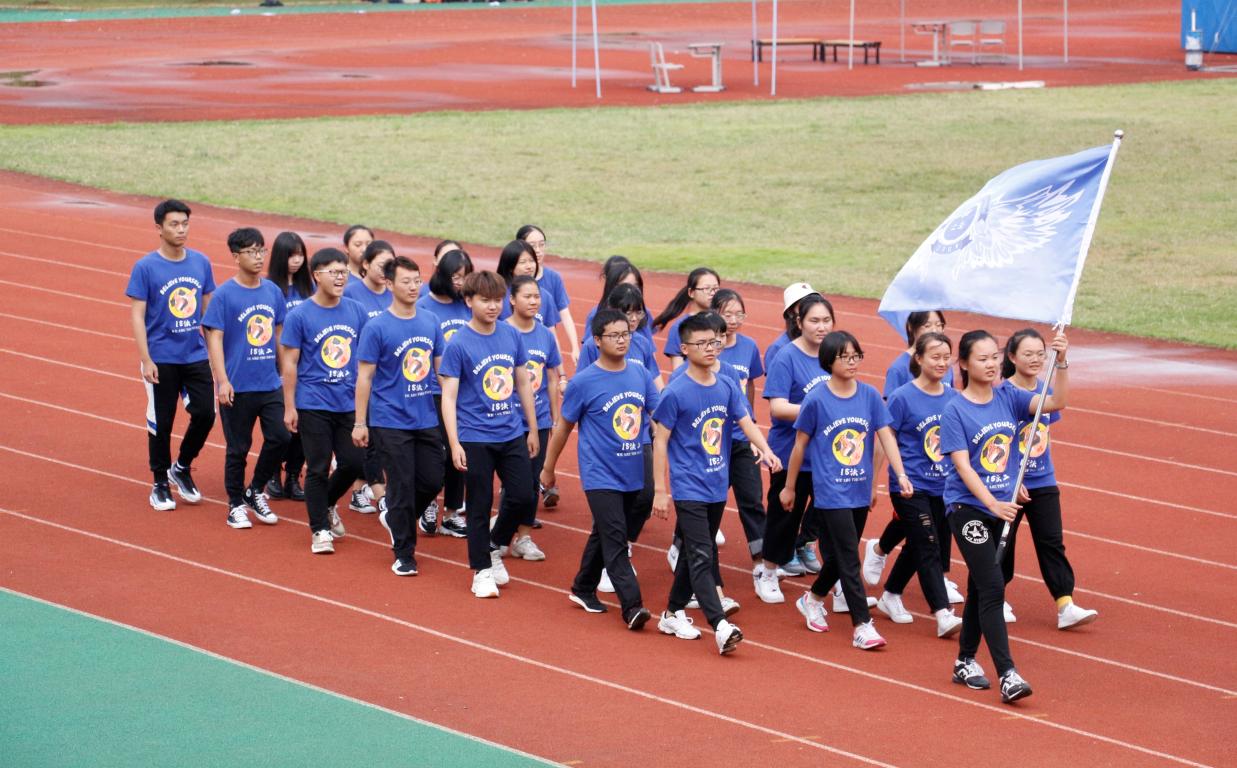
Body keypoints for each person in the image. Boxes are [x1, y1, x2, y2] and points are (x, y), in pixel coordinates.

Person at [939, 329, 1070, 704]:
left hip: (1003, 508)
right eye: (982, 359)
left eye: (994, 357)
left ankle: (964, 661)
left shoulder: (1009, 397)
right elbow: (963, 467)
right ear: (964, 364)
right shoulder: (954, 410)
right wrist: (992, 504)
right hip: (969, 510)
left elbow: (1056, 401)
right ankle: (1007, 674)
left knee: (983, 584)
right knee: (994, 585)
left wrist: (1061, 362)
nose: (991, 364)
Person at [652, 314, 782, 655]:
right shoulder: (676, 391)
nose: (711, 348)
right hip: (688, 486)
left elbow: (745, 420)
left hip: (715, 483)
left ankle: (671, 614)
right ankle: (720, 625)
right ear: (684, 349)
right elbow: (660, 440)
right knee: (701, 554)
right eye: (702, 343)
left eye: (714, 342)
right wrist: (660, 491)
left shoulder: (726, 384)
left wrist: (766, 450)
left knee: (695, 550)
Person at [780, 331, 912, 651]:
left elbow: (885, 436)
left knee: (843, 554)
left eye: (856, 356)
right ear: (829, 361)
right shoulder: (816, 400)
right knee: (850, 557)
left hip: (859, 489)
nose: (852, 362)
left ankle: (812, 599)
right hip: (831, 490)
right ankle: (862, 625)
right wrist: (789, 487)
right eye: (845, 357)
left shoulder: (869, 395)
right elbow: (799, 446)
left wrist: (899, 474)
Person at [541, 309, 660, 629]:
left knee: (607, 531)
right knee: (615, 537)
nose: (622, 340)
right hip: (599, 473)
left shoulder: (640, 374)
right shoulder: (583, 382)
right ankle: (632, 606)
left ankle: (583, 586)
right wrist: (548, 468)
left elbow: (660, 414)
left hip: (633, 469)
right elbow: (563, 428)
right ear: (596, 340)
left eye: (626, 334)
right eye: (614, 335)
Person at [440, 270, 541, 598]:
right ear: (469, 301)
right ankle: (481, 570)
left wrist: (532, 428)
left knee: (524, 495)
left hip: (511, 432)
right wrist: (455, 442)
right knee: (479, 504)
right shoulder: (458, 343)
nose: (493, 306)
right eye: (485, 300)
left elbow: (522, 381)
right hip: (475, 437)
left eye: (498, 300)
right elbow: (449, 397)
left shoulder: (511, 335)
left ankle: (494, 544)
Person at [352, 255, 445, 576]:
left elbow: (441, 370)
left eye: (417, 280)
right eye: (406, 281)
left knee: (433, 478)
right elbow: (364, 377)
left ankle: (395, 518)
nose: (413, 287)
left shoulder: (430, 321)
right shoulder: (376, 327)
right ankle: (404, 553)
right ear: (390, 284)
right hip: (389, 419)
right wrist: (360, 422)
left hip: (426, 417)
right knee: (402, 484)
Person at [864, 310, 963, 605]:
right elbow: (886, 432)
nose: (935, 329)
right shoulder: (901, 382)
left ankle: (892, 588)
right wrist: (876, 480)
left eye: (939, 325)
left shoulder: (950, 390)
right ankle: (941, 609)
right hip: (911, 477)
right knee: (925, 536)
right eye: (928, 325)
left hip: (941, 479)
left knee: (923, 535)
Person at [1001, 328, 1098, 630]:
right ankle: (996, 597)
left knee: (1051, 542)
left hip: (1042, 480)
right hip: (1010, 484)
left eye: (1040, 354)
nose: (1035, 359)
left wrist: (1063, 361)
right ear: (1012, 357)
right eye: (1028, 354)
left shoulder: (1044, 389)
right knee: (1004, 542)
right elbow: (999, 442)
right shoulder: (1003, 395)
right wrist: (1011, 479)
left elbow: (1049, 424)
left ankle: (1065, 604)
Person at [126, 199, 216, 511]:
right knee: (162, 421)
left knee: (205, 414)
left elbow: (208, 312)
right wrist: (146, 358)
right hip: (161, 357)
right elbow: (137, 315)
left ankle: (182, 466)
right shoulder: (146, 267)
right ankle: (160, 482)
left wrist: (215, 352)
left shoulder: (201, 262)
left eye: (185, 224)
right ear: (159, 228)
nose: (181, 230)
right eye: (174, 224)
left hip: (195, 354)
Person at [279, 248, 368, 554]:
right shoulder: (300, 315)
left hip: (347, 402)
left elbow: (365, 360)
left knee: (354, 462)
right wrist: (290, 406)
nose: (341, 278)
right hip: (313, 402)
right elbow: (290, 363)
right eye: (334, 272)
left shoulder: (356, 311)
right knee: (317, 467)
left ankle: (327, 503)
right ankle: (319, 530)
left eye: (344, 272)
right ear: (317, 275)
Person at [202, 227, 289, 529]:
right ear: (236, 257)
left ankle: (255, 489)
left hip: (269, 382)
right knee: (238, 448)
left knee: (281, 437)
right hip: (237, 385)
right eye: (251, 252)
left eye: (261, 250)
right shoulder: (224, 295)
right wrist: (222, 380)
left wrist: (286, 373)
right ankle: (235, 503)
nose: (258, 257)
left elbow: (279, 334)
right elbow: (214, 338)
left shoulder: (272, 291)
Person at [754, 293, 834, 603]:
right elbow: (777, 407)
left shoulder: (834, 353)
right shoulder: (786, 356)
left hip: (828, 455)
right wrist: (819, 411)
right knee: (784, 517)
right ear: (799, 322)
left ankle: (840, 581)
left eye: (826, 320)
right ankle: (768, 572)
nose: (821, 327)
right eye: (814, 320)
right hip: (791, 453)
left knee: (833, 519)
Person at [415, 249, 475, 538]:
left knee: (459, 450)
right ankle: (428, 501)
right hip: (432, 390)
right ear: (442, 275)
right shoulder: (424, 306)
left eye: (466, 277)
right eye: (456, 277)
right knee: (435, 451)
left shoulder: (468, 306)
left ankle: (452, 511)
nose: (461, 283)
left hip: (466, 391)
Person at [504, 275, 561, 553]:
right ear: (512, 300)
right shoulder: (502, 331)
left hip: (538, 420)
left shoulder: (545, 335)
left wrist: (554, 416)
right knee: (515, 484)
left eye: (536, 296)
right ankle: (501, 533)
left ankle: (523, 536)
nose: (533, 301)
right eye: (527, 296)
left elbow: (550, 377)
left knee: (531, 482)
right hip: (507, 420)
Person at [343, 240, 397, 515]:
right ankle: (374, 491)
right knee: (369, 437)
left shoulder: (393, 294)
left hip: (389, 378)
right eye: (382, 265)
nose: (387, 270)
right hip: (362, 375)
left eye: (391, 265)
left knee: (383, 439)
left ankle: (361, 488)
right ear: (365, 264)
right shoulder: (351, 293)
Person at [713, 288, 766, 560]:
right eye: (727, 314)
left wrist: (751, 423)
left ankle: (762, 563)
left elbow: (751, 386)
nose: (733, 320)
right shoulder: (708, 349)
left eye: (739, 314)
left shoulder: (749, 347)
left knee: (752, 499)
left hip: (742, 436)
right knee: (710, 500)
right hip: (713, 440)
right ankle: (680, 545)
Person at [265, 231, 312, 502]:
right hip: (278, 365)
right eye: (291, 255)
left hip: (308, 366)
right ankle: (272, 472)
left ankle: (293, 474)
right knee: (280, 424)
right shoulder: (271, 288)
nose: (296, 260)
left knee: (304, 425)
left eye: (300, 255)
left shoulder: (309, 288)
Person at [518, 225, 580, 364]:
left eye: (541, 245)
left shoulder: (553, 278)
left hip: (544, 348)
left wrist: (575, 347)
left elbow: (565, 314)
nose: (538, 250)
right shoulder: (511, 282)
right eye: (532, 246)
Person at [651, 267, 721, 369]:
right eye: (707, 289)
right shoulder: (680, 327)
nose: (713, 293)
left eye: (716, 289)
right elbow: (677, 370)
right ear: (691, 292)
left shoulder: (722, 322)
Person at [583, 256, 655, 347]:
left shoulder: (643, 314)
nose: (630, 290)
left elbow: (650, 351)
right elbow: (589, 349)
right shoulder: (596, 315)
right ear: (612, 287)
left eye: (635, 286)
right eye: (624, 285)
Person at [764, 282, 819, 371]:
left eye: (813, 304)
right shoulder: (778, 348)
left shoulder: (823, 342)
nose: (810, 309)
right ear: (790, 312)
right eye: (804, 305)